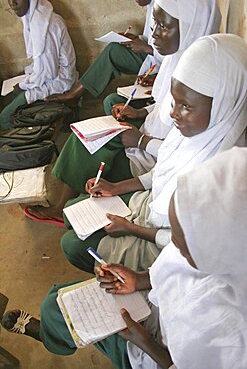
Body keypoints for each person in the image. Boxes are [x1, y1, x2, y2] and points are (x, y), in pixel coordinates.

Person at [2, 146, 247, 369]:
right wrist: (139, 280)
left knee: (56, 310)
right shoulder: (220, 248)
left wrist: (145, 342)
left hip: (153, 350)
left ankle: (48, 336)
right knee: (59, 301)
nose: (174, 247)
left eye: (183, 241)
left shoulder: (232, 328)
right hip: (153, 306)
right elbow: (175, 268)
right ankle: (54, 333)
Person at [24, 0, 221, 225]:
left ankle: (66, 204)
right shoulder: (180, 58)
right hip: (149, 141)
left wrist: (142, 141)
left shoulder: (201, 79)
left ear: (189, 26)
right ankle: (73, 198)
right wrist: (140, 114)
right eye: (155, 25)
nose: (154, 35)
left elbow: (181, 150)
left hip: (154, 157)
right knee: (91, 134)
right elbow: (164, 105)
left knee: (90, 142)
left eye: (163, 27)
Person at [45, 0, 163, 105]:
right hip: (152, 57)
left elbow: (176, 56)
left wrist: (146, 49)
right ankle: (76, 93)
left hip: (160, 63)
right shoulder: (153, 5)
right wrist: (135, 39)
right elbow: (153, 39)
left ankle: (74, 94)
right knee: (114, 50)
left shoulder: (168, 8)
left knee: (112, 100)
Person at [0, 0, 77, 129]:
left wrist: (23, 85)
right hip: (49, 78)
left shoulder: (43, 25)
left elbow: (48, 73)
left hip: (58, 82)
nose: (12, 2)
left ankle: (33, 141)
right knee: (9, 97)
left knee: (4, 119)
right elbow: (41, 64)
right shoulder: (34, 17)